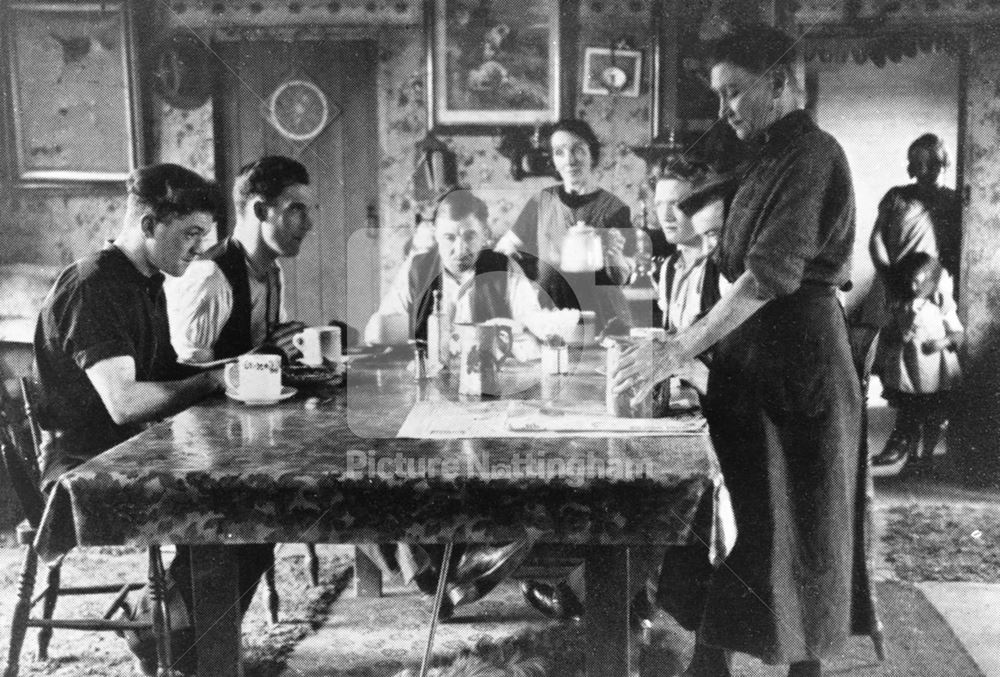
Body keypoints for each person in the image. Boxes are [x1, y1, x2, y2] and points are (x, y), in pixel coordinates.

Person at [613, 25, 869, 677]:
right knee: (738, 516)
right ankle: (711, 658)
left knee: (803, 521)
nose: (725, 108)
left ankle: (799, 668)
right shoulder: (763, 157)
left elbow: (765, 276)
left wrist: (681, 347)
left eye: (735, 91)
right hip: (756, 361)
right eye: (719, 94)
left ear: (779, 84)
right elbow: (721, 246)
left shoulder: (814, 153)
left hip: (801, 358)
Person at [33, 164, 227, 674]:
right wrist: (210, 383)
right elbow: (125, 402)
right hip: (83, 474)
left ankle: (176, 629)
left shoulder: (145, 281)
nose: (199, 249)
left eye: (203, 237)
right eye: (190, 235)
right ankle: (181, 643)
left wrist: (232, 370)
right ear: (147, 225)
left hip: (125, 451)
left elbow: (163, 372)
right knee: (235, 506)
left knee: (248, 507)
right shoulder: (94, 285)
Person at [362, 188, 537, 619]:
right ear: (434, 237)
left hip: (489, 398)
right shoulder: (419, 267)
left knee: (513, 471)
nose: (460, 250)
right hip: (428, 396)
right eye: (449, 239)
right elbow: (378, 330)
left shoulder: (504, 269)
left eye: (470, 238)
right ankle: (431, 573)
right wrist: (390, 328)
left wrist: (511, 335)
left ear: (487, 235)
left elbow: (537, 331)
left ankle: (465, 565)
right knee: (390, 470)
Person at [166, 155, 314, 363]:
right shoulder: (211, 277)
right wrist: (266, 357)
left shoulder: (273, 271)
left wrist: (292, 340)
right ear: (261, 211)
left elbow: (269, 349)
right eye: (296, 209)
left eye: (309, 210)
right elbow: (188, 375)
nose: (309, 224)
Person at [495, 118, 633, 331]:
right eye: (559, 152)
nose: (569, 160)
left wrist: (614, 255)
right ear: (553, 160)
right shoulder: (541, 202)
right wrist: (517, 273)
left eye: (577, 150)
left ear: (592, 153)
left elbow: (622, 278)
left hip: (602, 319)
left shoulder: (614, 209)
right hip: (551, 316)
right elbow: (504, 249)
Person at [871, 252, 962, 474]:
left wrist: (943, 342)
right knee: (909, 412)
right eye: (910, 280)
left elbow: (957, 333)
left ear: (932, 281)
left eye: (920, 281)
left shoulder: (941, 303)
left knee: (933, 415)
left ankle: (927, 456)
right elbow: (887, 331)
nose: (914, 286)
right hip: (909, 370)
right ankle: (910, 454)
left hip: (935, 371)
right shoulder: (900, 304)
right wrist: (894, 337)